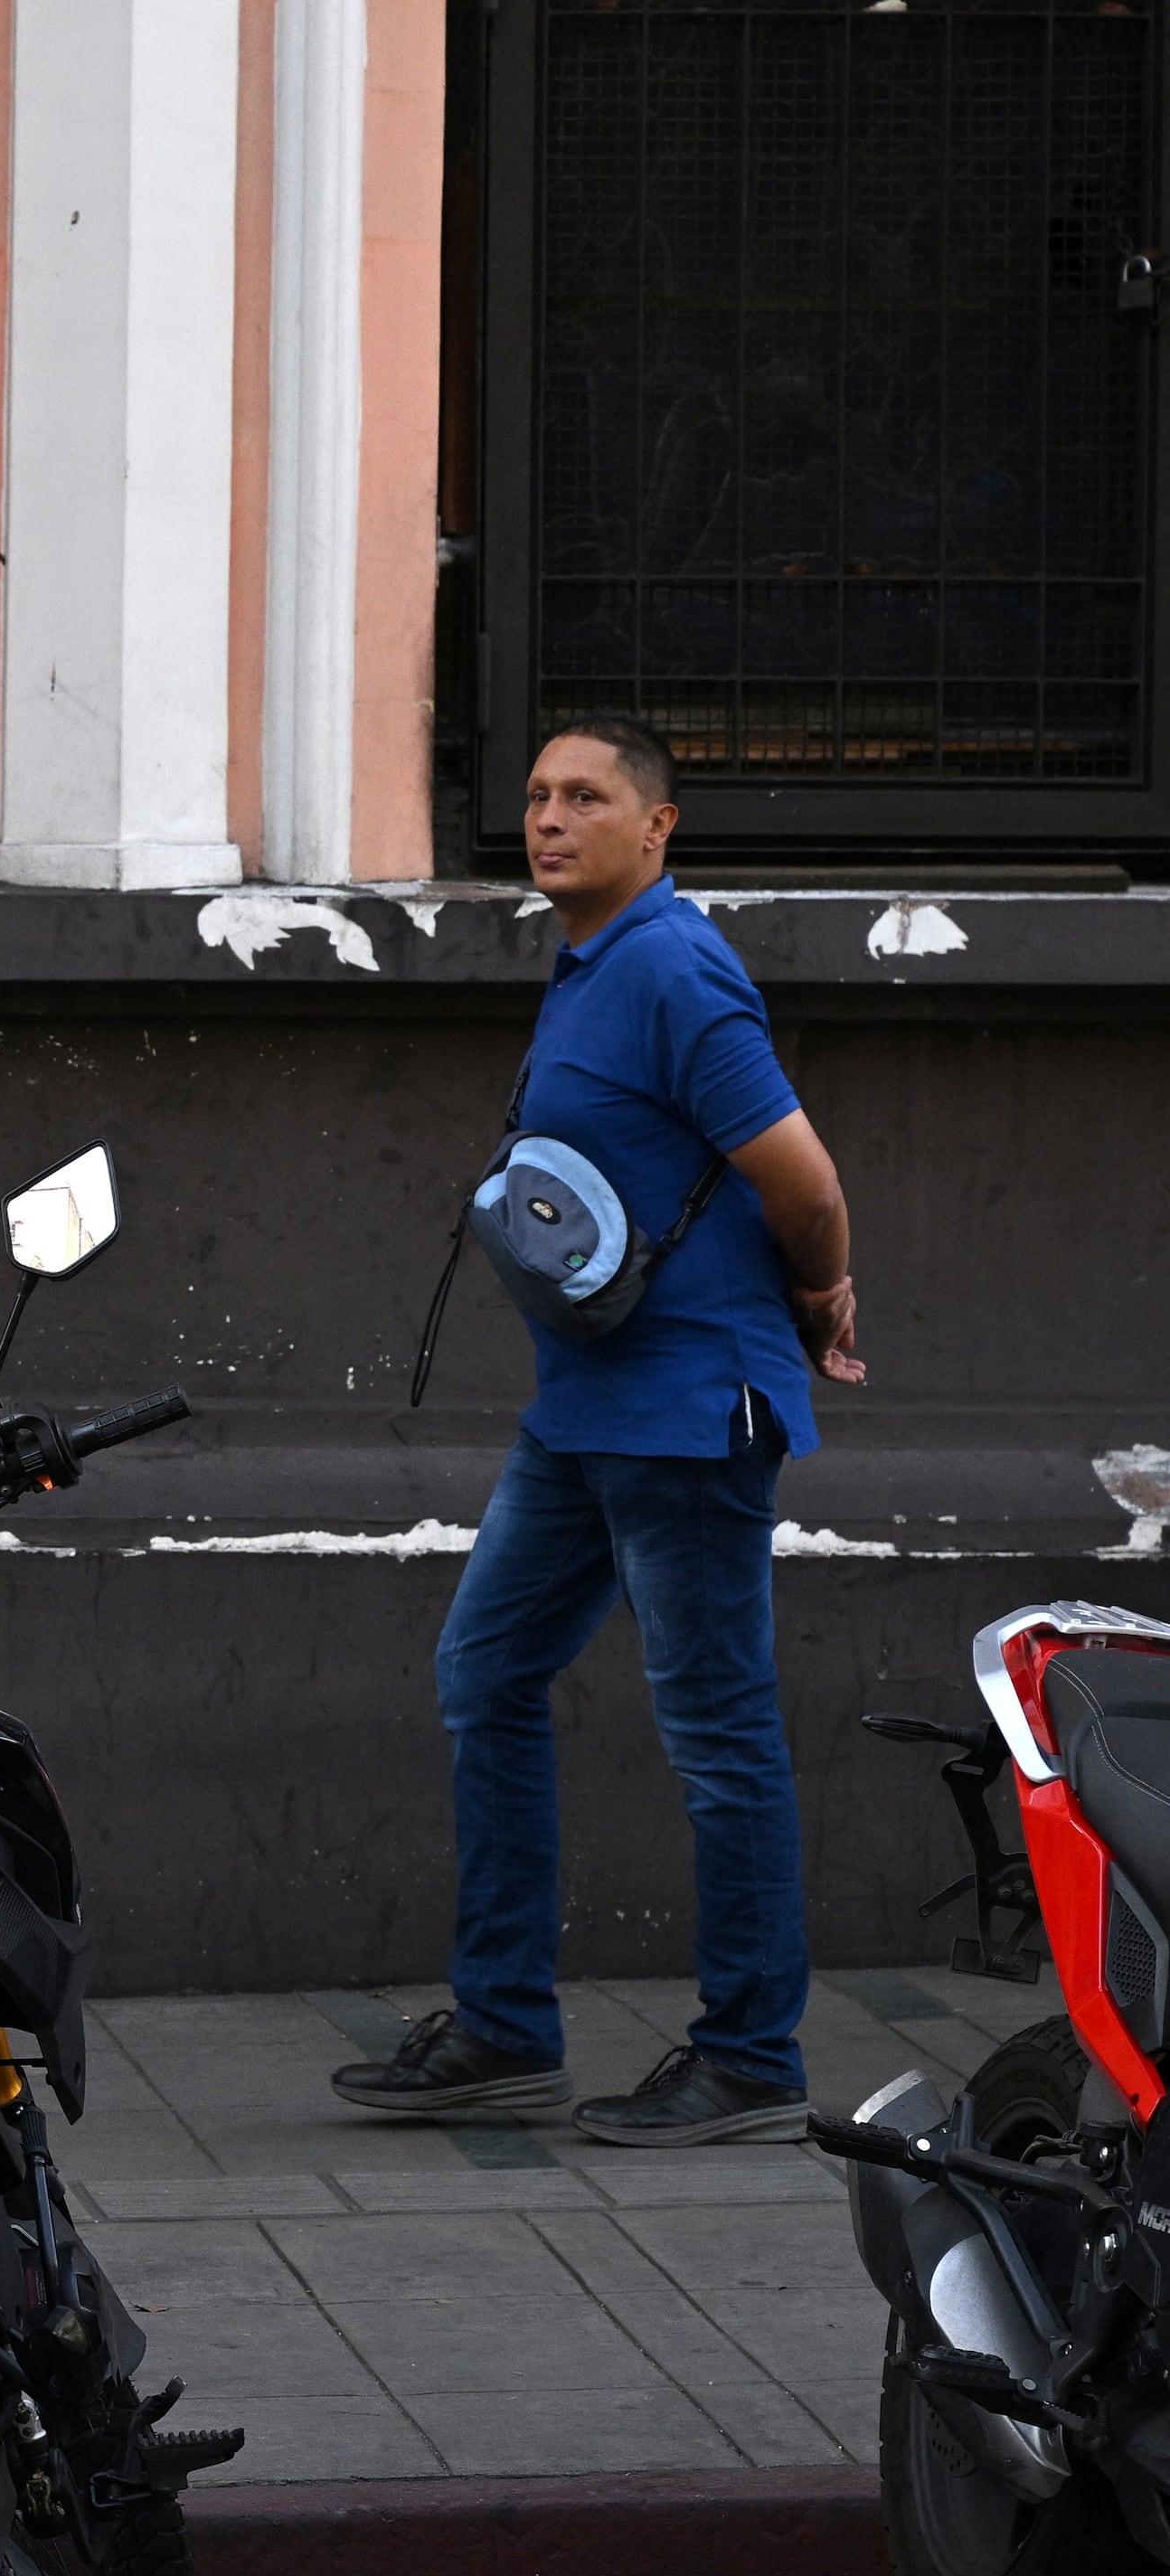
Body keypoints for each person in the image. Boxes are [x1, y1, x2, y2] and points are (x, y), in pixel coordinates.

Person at [332, 722, 864, 2147]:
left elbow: (805, 1182)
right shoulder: (591, 967)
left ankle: (751, 2057)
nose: (551, 819)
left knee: (716, 1737)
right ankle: (507, 2027)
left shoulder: (677, 969)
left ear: (658, 824)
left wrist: (819, 1292)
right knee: (485, 1671)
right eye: (537, 797)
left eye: (587, 798)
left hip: (688, 1412)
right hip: (587, 1410)